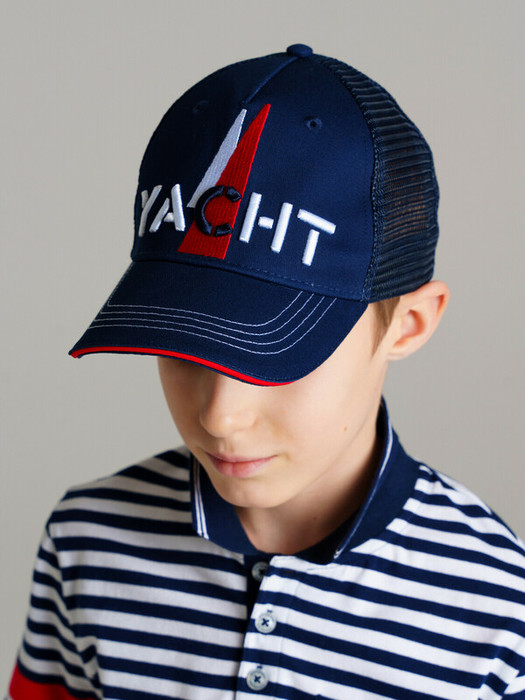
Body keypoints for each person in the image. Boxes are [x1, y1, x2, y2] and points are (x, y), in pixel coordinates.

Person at [7, 44, 525, 700]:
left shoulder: (496, 604)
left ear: (408, 324)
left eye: (280, 356)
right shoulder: (87, 540)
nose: (220, 416)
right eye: (185, 346)